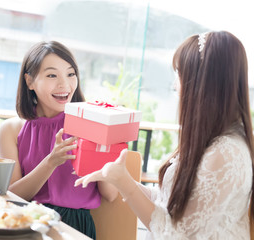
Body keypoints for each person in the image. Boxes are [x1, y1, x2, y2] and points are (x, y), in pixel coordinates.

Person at [75, 31, 254, 239]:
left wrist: (124, 182)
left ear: (202, 85)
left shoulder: (225, 153)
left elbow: (175, 234)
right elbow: (168, 203)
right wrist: (122, 179)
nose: (176, 86)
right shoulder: (215, 141)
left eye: (179, 74)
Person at [0, 41, 118, 239]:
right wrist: (50, 162)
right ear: (29, 81)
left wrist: (105, 145)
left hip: (75, 226)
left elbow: (111, 194)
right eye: (52, 75)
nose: (64, 84)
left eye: (71, 74)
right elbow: (12, 196)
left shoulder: (91, 124)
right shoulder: (11, 129)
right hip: (28, 222)